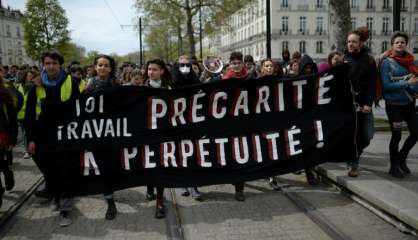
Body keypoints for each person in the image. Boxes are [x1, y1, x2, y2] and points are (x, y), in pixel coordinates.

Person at [25, 50, 80, 227]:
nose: (51, 66)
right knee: (50, 169)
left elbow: (78, 109)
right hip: (42, 136)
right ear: (43, 65)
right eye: (47, 63)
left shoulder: (71, 82)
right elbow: (29, 114)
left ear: (60, 65)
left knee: (63, 170)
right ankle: (55, 194)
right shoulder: (35, 86)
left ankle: (65, 209)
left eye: (54, 63)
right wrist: (31, 139)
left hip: (64, 135)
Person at [84, 54, 119, 219]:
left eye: (106, 65)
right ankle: (110, 202)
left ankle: (111, 190)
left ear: (111, 68)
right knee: (102, 167)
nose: (103, 68)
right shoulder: (88, 86)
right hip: (95, 134)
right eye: (100, 65)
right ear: (95, 67)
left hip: (114, 133)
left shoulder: (117, 86)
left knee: (113, 166)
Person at [379, 32, 418, 178]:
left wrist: (414, 87)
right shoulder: (387, 62)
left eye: (402, 42)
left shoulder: (410, 61)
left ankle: (401, 158)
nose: (400, 44)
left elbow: (414, 82)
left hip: (408, 103)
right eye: (397, 42)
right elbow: (386, 85)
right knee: (396, 135)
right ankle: (393, 166)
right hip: (393, 105)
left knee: (416, 133)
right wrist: (406, 82)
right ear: (392, 45)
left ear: (406, 44)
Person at [344, 27, 376, 177]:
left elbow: (372, 84)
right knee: (353, 136)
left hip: (364, 106)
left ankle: (354, 155)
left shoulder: (369, 60)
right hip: (348, 106)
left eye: (354, 42)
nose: (351, 44)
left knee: (368, 135)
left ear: (360, 43)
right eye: (349, 41)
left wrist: (368, 104)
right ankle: (353, 163)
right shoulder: (343, 60)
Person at [143, 59, 173, 218]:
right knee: (148, 163)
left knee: (160, 166)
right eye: (149, 69)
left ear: (162, 71)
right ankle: (149, 187)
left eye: (154, 69)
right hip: (147, 133)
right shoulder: (141, 89)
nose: (151, 72)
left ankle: (160, 200)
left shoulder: (168, 89)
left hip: (162, 134)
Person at [222, 52, 247, 201]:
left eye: (239, 63)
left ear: (242, 64)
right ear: (230, 65)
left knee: (242, 155)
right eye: (234, 63)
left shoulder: (250, 78)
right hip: (230, 123)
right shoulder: (225, 79)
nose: (236, 65)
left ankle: (240, 188)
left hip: (245, 123)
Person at [0, 73, 18, 207]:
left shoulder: (5, 93)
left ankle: (6, 172)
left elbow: (12, 118)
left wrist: (12, 138)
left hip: (1, 134)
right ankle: (6, 171)